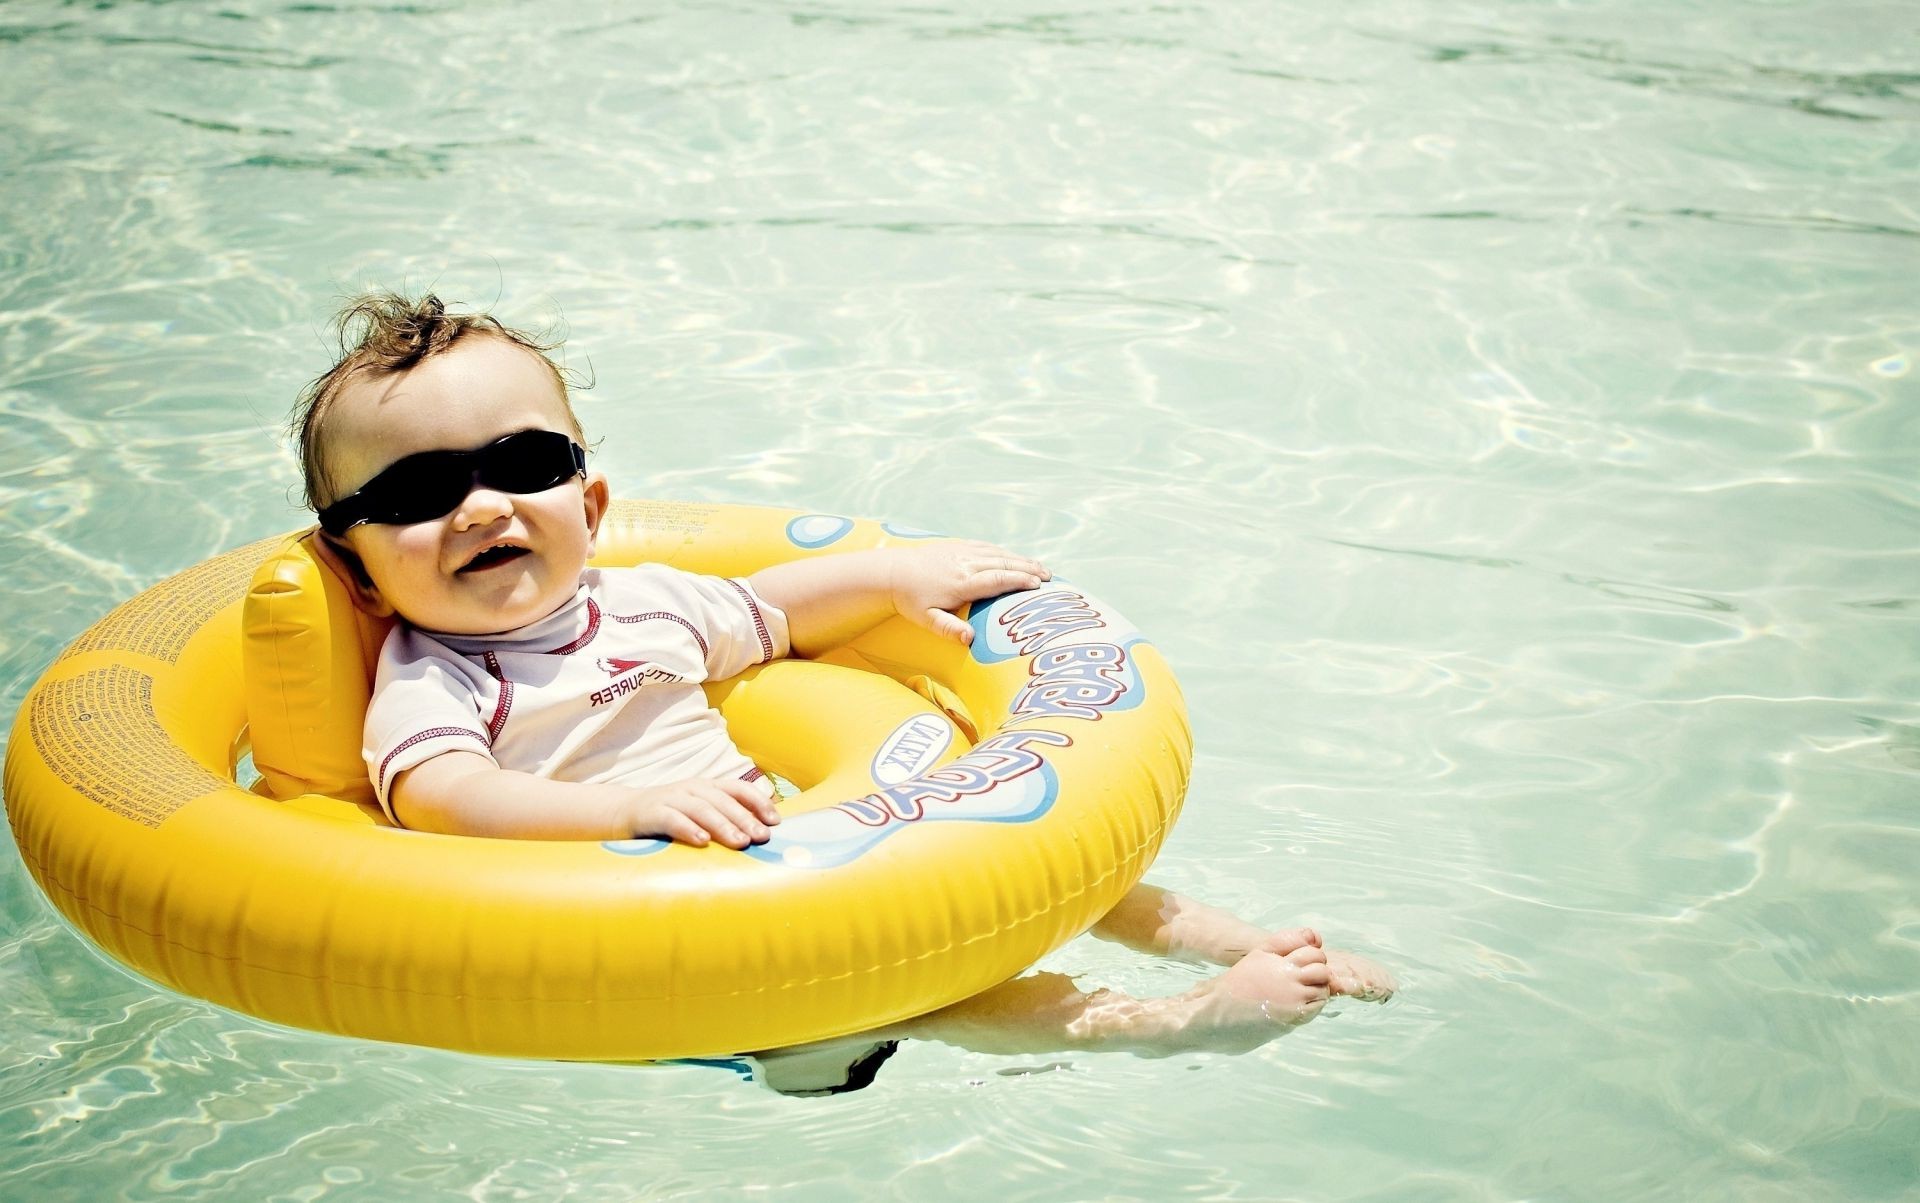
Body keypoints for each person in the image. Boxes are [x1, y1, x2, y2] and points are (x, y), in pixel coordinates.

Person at [292, 290, 1394, 1093]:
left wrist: (889, 578)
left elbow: (773, 611)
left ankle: (1246, 943)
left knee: (1033, 869)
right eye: (421, 490)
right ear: (355, 568)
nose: (482, 507)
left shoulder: (644, 607)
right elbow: (445, 799)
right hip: (661, 945)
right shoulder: (434, 678)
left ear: (591, 503)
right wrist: (623, 812)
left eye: (522, 463)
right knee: (932, 994)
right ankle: (1170, 1024)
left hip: (793, 858)